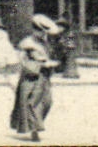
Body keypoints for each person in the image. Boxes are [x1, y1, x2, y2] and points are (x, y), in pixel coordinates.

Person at [10, 14, 61, 142]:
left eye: (43, 32)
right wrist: (39, 65)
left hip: (44, 77)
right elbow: (22, 61)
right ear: (34, 29)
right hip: (31, 77)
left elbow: (48, 57)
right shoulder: (26, 43)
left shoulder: (44, 43)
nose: (42, 34)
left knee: (47, 102)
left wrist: (50, 64)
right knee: (32, 104)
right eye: (39, 31)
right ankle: (34, 131)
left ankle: (36, 126)